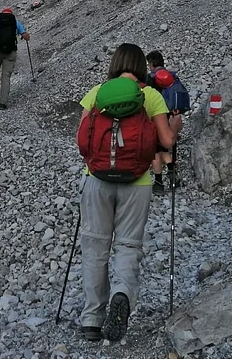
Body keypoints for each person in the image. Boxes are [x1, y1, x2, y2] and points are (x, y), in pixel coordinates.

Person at [77, 43, 180, 342]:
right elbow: (166, 140)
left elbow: (81, 140)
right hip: (137, 182)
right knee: (127, 245)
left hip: (96, 180)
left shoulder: (98, 92)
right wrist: (173, 124)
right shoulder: (151, 96)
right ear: (139, 66)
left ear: (115, 64)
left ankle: (92, 321)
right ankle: (121, 294)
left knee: (96, 246)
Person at [146, 50, 189, 194]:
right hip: (172, 117)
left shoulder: (151, 79)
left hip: (156, 119)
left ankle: (158, 183)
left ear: (151, 63)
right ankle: (173, 176)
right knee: (165, 149)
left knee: (155, 151)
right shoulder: (173, 77)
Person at [0, 8, 29, 109]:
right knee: (6, 76)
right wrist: (25, 35)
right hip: (10, 52)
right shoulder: (16, 22)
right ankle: (3, 103)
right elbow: (26, 37)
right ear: (11, 14)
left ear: (2, 13)